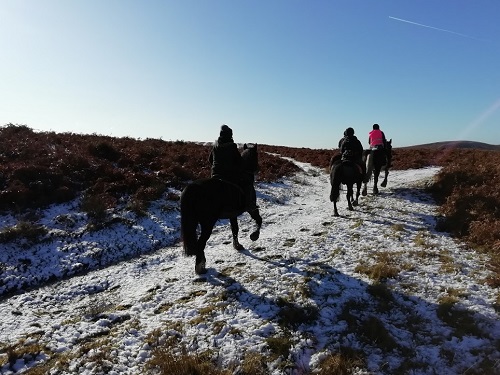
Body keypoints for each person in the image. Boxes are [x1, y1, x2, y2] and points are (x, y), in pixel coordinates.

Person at [208, 125, 257, 212]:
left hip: (215, 174)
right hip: (229, 176)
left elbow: (210, 159)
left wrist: (216, 167)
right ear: (229, 135)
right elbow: (239, 162)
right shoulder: (231, 146)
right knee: (247, 184)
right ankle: (249, 204)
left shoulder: (215, 146)